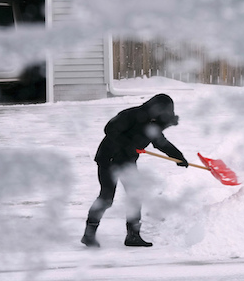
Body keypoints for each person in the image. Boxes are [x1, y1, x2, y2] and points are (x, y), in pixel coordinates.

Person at [81, 94, 189, 248]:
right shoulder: (132, 115)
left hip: (127, 162)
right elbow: (110, 129)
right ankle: (89, 234)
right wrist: (127, 145)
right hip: (109, 159)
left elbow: (161, 143)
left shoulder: (154, 124)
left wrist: (178, 157)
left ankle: (133, 236)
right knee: (106, 198)